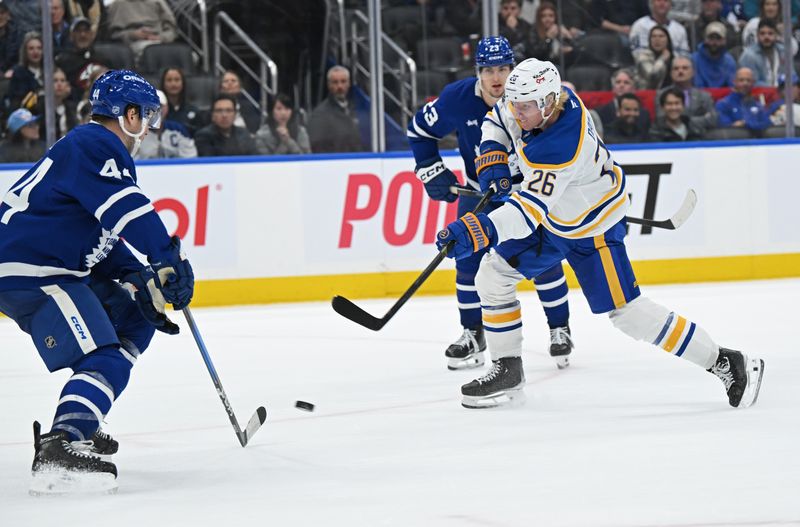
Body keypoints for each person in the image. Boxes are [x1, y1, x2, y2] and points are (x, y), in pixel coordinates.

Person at [434, 57, 765, 409]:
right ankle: (508, 370)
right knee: (493, 274)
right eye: (515, 103)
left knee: (629, 314)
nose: (517, 112)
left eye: (525, 107)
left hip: (592, 230)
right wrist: (492, 155)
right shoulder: (536, 101)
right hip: (555, 218)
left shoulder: (560, 146)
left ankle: (727, 362)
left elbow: (526, 212)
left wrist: (479, 229)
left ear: (548, 102)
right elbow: (497, 119)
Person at [0, 69, 194, 493]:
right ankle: (61, 446)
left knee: (135, 318)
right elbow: (128, 210)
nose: (148, 126)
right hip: (34, 270)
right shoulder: (98, 144)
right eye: (145, 115)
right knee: (105, 353)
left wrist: (133, 272)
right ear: (128, 114)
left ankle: (83, 418)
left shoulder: (86, 148)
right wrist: (166, 257)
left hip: (44, 264)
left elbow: (98, 233)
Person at [408, 37, 575, 371]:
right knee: (466, 258)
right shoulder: (457, 98)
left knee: (542, 259)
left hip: (529, 194)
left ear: (513, 69)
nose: (496, 77)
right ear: (477, 72)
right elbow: (419, 130)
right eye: (488, 70)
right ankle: (473, 333)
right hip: (479, 193)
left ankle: (560, 328)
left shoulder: (531, 97)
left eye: (502, 69)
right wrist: (430, 168)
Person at [308, 65, 365, 153]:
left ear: (349, 83)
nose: (340, 86)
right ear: (329, 85)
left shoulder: (356, 109)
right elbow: (317, 148)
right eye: (335, 82)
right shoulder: (320, 115)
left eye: (343, 81)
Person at [656, 56, 718, 135]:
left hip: (699, 136)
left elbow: (712, 120)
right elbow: (661, 120)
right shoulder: (662, 94)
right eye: (676, 69)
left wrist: (680, 120)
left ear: (693, 72)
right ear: (671, 73)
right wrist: (700, 119)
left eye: (685, 68)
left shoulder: (704, 96)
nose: (680, 71)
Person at [55, 16, 110, 98]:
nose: (83, 35)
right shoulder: (64, 61)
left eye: (86, 30)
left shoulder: (103, 57)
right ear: (71, 35)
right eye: (78, 31)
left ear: (92, 34)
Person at [136, 89, 196, 159]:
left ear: (167, 108)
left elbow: (191, 158)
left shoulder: (178, 130)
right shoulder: (135, 134)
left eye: (160, 106)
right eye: (150, 107)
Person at [106, 0, 176, 60]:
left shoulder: (158, 2)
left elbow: (172, 29)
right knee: (150, 51)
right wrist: (133, 34)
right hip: (133, 44)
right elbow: (113, 34)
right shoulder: (118, 4)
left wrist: (161, 37)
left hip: (159, 40)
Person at [739, 18, 793, 87]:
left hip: (783, 91)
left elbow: (792, 75)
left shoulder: (783, 52)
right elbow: (752, 83)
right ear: (757, 35)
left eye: (770, 33)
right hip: (759, 92)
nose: (766, 37)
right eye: (762, 33)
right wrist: (775, 89)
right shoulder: (749, 55)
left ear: (776, 35)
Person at [33, 67, 78, 139]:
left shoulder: (71, 107)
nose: (59, 84)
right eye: (55, 80)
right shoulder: (39, 106)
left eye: (62, 81)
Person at [692, 21, 738, 88]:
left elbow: (732, 87)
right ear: (705, 39)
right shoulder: (693, 60)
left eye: (718, 38)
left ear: (725, 40)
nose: (714, 42)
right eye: (711, 38)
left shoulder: (729, 62)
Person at [159, 67, 203, 136]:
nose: (173, 84)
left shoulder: (193, 110)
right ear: (163, 84)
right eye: (169, 80)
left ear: (183, 83)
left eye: (177, 80)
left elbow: (199, 135)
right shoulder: (158, 110)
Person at [6, 30, 42, 111]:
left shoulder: (51, 71)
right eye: (31, 48)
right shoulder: (19, 74)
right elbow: (17, 103)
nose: (36, 52)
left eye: (39, 48)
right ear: (25, 51)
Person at [218, 69, 260, 134]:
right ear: (221, 88)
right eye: (226, 81)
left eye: (233, 81)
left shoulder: (249, 107)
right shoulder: (216, 107)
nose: (230, 83)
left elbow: (255, 129)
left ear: (240, 87)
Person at [633, 25, 673, 89]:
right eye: (653, 36)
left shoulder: (674, 58)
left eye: (661, 36)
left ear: (668, 40)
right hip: (648, 92)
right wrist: (662, 59)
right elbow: (652, 76)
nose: (657, 40)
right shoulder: (643, 56)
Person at [0, 1, 22, 78]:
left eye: (2, 13)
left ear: (8, 15)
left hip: (12, 74)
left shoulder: (16, 34)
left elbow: (21, 59)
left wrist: (13, 70)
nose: (0, 17)